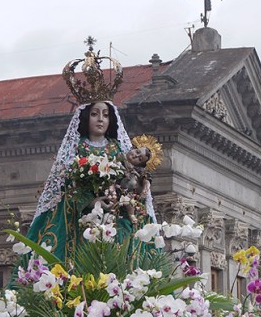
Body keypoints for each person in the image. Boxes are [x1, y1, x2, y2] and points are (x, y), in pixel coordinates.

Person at [13, 39, 160, 280]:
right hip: (79, 215)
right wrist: (90, 200)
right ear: (85, 118)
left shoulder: (117, 148)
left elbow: (129, 178)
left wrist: (119, 198)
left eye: (105, 115)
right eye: (94, 114)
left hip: (114, 213)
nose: (100, 119)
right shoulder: (77, 148)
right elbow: (65, 183)